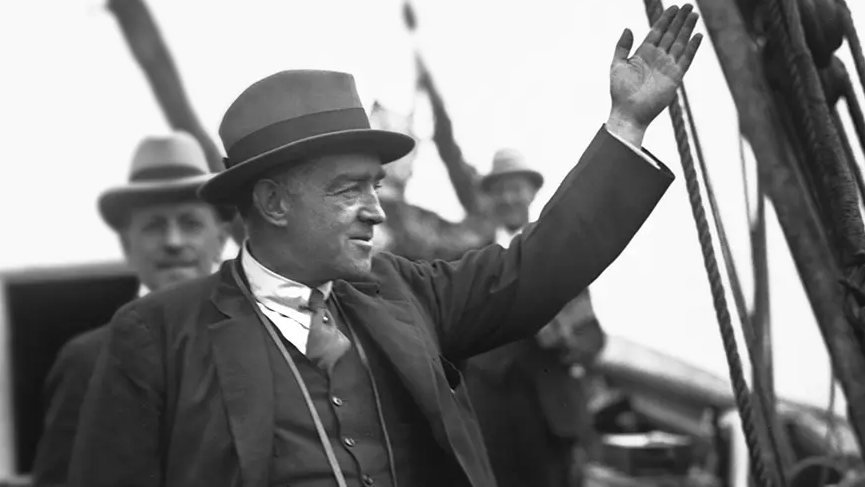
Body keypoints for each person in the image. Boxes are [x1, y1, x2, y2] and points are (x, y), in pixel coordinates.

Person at [68, 6, 702, 487]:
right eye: (349, 190)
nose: (375, 209)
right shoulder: (156, 338)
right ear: (273, 203)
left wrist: (627, 124)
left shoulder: (406, 293)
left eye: (375, 186)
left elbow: (537, 267)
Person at [31, 132, 233, 487]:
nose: (174, 241)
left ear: (219, 240)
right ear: (127, 246)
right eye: (155, 226)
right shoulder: (87, 359)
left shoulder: (258, 340)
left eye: (190, 223)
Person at [461, 148, 607, 487]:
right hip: (489, 418)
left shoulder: (562, 254)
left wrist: (569, 342)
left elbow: (592, 337)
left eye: (517, 188)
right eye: (501, 189)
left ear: (532, 193)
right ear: (490, 197)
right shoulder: (468, 260)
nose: (510, 197)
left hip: (551, 419)